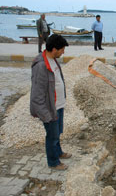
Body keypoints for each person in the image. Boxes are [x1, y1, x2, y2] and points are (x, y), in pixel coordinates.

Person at [30, 34, 71, 170]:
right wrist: (46, 116)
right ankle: (53, 162)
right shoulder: (41, 66)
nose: (63, 52)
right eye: (62, 49)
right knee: (52, 137)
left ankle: (58, 153)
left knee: (57, 133)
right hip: (50, 109)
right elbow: (37, 95)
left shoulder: (53, 59)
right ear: (54, 49)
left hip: (58, 105)